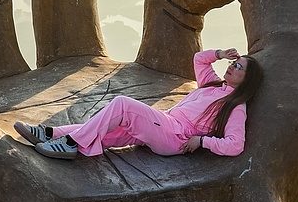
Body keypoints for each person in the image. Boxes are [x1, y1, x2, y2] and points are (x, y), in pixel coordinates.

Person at [14, 48, 262, 160]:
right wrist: (220, 54)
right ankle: (49, 134)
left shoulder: (235, 107)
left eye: (238, 66)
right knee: (111, 131)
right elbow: (199, 60)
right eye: (234, 62)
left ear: (247, 79)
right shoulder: (213, 85)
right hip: (164, 123)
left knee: (122, 105)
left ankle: (70, 144)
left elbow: (235, 145)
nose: (232, 66)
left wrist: (202, 141)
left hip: (174, 137)